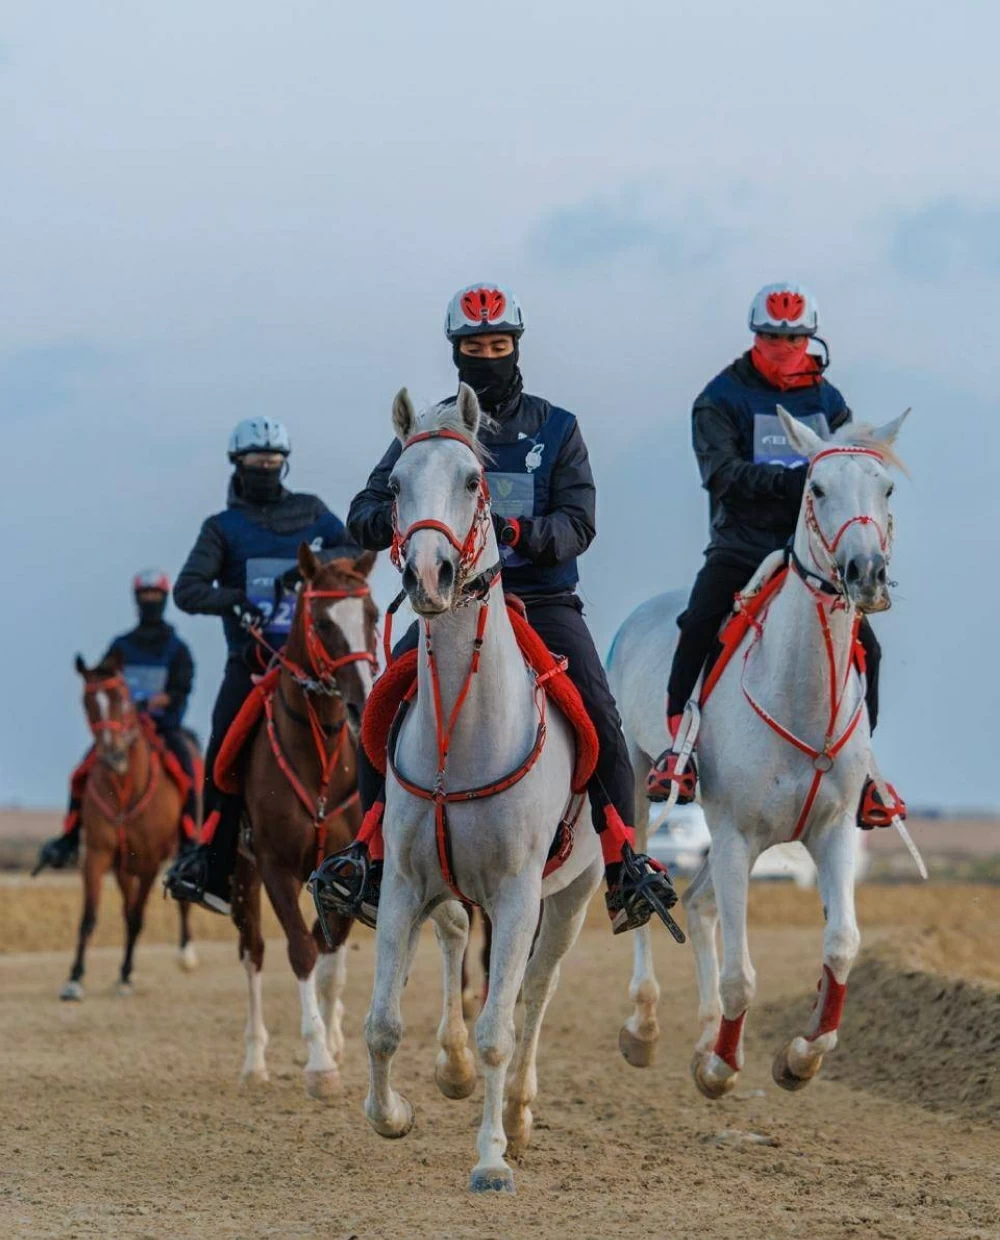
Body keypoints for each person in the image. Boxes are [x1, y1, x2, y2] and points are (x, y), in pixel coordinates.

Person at [309, 282, 677, 936]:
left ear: (516, 346)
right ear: (456, 352)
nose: (488, 354)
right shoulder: (427, 431)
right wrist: (401, 522)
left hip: (542, 600)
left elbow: (579, 521)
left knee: (601, 715)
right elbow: (365, 508)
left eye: (498, 344)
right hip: (451, 609)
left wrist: (522, 535)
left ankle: (623, 859)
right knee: (380, 707)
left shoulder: (557, 427)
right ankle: (369, 850)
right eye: (474, 346)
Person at [646, 283, 905, 829]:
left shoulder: (828, 401)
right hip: (741, 545)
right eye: (771, 337)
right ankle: (679, 748)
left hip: (814, 554)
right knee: (697, 625)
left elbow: (849, 471)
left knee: (870, 648)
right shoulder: (720, 399)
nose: (783, 347)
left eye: (793, 338)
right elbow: (721, 475)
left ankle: (864, 774)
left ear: (810, 338)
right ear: (754, 337)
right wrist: (799, 482)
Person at [164, 417, 350, 914]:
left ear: (284, 463)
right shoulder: (221, 529)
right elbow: (187, 590)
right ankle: (214, 865)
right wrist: (233, 600)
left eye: (272, 462)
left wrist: (308, 563)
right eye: (255, 462)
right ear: (238, 465)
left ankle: (376, 857)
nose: (265, 470)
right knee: (221, 752)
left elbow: (353, 544)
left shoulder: (310, 511)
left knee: (373, 732)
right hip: (250, 665)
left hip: (320, 666)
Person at [35, 570, 198, 871]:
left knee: (188, 774)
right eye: (145, 595)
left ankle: (190, 842)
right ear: (136, 599)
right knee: (81, 773)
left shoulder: (178, 649)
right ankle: (69, 837)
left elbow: (182, 687)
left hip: (163, 728)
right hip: (123, 731)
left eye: (155, 596)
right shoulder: (121, 645)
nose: (150, 601)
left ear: (163, 599)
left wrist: (154, 701)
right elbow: (104, 679)